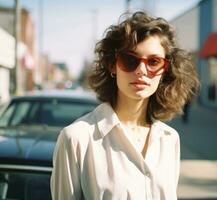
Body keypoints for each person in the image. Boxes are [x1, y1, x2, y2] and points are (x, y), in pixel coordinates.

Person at [50, 11, 199, 200]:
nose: (141, 70)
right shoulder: (76, 139)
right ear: (112, 65)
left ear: (165, 69)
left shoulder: (169, 139)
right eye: (130, 59)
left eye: (153, 62)